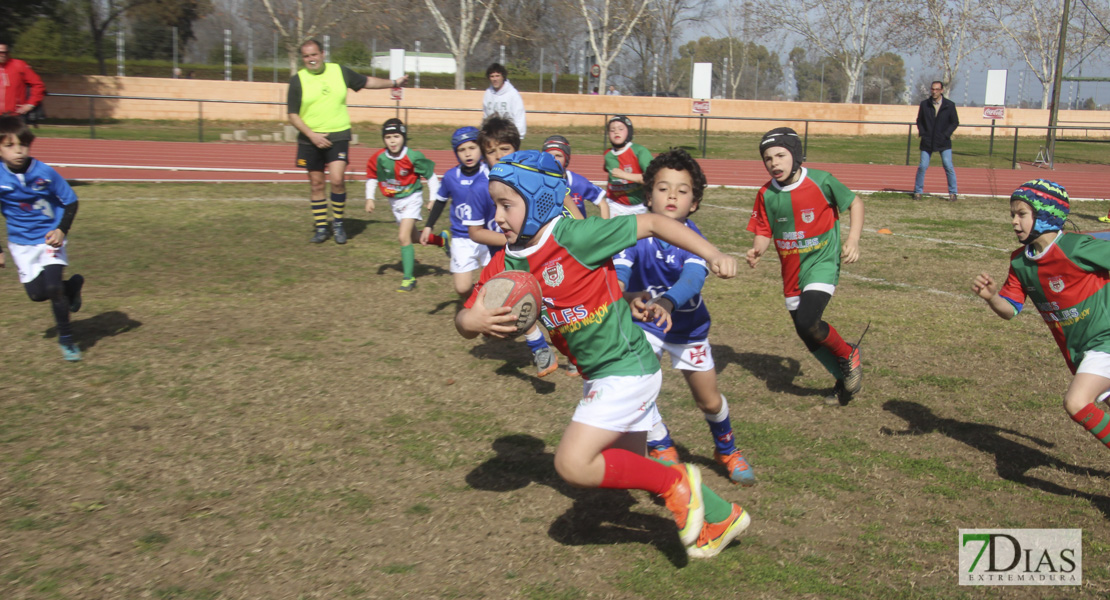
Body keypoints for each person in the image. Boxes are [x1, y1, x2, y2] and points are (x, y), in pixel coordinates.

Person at [455, 150, 750, 559]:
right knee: (631, 464)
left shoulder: (576, 236)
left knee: (573, 464)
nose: (498, 216)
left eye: (507, 204)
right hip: (603, 373)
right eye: (494, 205)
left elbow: (653, 222)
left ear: (539, 200)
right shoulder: (507, 262)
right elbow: (465, 317)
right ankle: (722, 516)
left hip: (626, 367)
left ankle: (679, 485)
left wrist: (712, 253)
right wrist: (475, 322)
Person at [613, 148, 755, 486]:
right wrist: (624, 293)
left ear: (694, 202)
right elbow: (617, 274)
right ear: (648, 195)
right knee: (636, 390)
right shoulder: (632, 233)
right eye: (663, 188)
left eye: (682, 189)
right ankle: (660, 442)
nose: (672, 195)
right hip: (644, 326)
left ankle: (727, 449)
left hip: (688, 329)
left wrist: (668, 302)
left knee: (708, 399)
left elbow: (692, 279)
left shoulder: (693, 239)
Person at [972, 179, 1110, 453]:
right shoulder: (1020, 262)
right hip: (1079, 351)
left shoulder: (1075, 247)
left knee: (1077, 402)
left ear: (1047, 214)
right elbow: (1010, 309)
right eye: (1012, 214)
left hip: (1104, 342)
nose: (1014, 221)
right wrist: (992, 298)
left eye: (1021, 214)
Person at [745, 127, 865, 405]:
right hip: (791, 272)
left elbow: (855, 203)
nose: (774, 163)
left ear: (795, 155)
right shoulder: (765, 194)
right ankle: (844, 381)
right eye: (767, 158)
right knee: (807, 332)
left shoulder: (822, 181)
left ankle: (849, 353)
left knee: (808, 320)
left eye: (780, 155)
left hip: (822, 263)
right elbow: (764, 230)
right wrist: (757, 250)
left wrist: (853, 239)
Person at [460, 116, 558, 376]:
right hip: (503, 260)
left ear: (517, 149)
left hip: (537, 254)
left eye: (505, 149)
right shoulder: (481, 189)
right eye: (491, 152)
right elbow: (475, 232)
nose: (498, 156)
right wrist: (509, 239)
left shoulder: (532, 180)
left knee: (549, 300)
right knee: (518, 301)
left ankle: (569, 346)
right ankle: (540, 348)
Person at [287, 39, 406, 244]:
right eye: (306, 56)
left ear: (322, 54)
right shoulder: (298, 80)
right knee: (316, 184)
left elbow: (366, 81)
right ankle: (322, 227)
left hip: (338, 135)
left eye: (314, 54)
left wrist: (393, 83)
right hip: (310, 138)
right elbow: (292, 115)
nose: (311, 59)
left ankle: (339, 223)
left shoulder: (339, 71)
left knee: (337, 180)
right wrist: (312, 135)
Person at [0, 116, 84, 361]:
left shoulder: (44, 172)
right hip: (21, 244)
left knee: (53, 288)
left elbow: (71, 201)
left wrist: (61, 230)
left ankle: (67, 340)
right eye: (9, 145)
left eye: (23, 145)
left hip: (49, 239)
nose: (18, 151)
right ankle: (73, 286)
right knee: (37, 294)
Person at [365, 118, 440, 293]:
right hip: (395, 202)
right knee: (413, 238)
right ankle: (441, 240)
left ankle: (409, 278)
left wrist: (433, 198)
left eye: (396, 136)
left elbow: (431, 176)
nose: (392, 141)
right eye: (388, 137)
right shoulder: (379, 158)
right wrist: (370, 198)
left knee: (402, 237)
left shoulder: (413, 156)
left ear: (404, 137)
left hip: (412, 198)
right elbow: (371, 177)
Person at [422, 126, 489, 297]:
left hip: (487, 237)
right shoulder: (451, 177)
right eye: (461, 150)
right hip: (462, 238)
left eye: (472, 148)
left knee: (497, 283)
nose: (467, 154)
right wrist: (429, 226)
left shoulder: (490, 173)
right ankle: (477, 302)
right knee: (462, 288)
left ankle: (488, 310)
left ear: (481, 148)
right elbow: (440, 202)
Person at [541, 135, 609, 220]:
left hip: (575, 230)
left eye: (558, 155)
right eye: (549, 155)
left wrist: (605, 226)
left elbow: (602, 203)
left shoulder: (578, 182)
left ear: (567, 159)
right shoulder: (538, 182)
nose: (554, 159)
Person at [913, 80, 959, 203]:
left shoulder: (949, 105)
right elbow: (919, 120)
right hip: (927, 141)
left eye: (937, 89)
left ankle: (953, 193)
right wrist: (923, 133)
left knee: (948, 166)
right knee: (922, 166)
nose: (934, 91)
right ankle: (918, 191)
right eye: (933, 89)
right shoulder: (924, 104)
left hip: (943, 142)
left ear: (942, 90)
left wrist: (946, 134)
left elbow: (955, 122)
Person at [604, 115, 653, 217]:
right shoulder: (608, 154)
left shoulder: (639, 151)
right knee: (613, 232)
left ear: (629, 132)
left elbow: (652, 178)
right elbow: (609, 174)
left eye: (621, 129)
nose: (616, 132)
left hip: (638, 205)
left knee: (635, 233)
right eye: (612, 130)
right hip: (614, 203)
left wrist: (624, 175)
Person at [0, 41, 46, 120]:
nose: (3, 54)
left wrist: (30, 104)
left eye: (5, 52)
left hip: (15, 115)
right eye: (1, 52)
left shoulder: (19, 65)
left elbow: (38, 85)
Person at [482, 63, 526, 140]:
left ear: (503, 77)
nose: (495, 79)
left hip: (508, 136)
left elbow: (519, 117)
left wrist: (519, 136)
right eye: (492, 76)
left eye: (497, 76)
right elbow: (486, 116)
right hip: (492, 137)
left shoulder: (513, 94)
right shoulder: (487, 93)